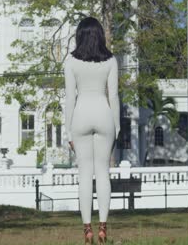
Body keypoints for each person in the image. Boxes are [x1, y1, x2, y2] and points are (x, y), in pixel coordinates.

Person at [64, 16, 120, 245]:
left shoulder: (71, 61)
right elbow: (113, 96)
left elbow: (69, 98)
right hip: (103, 113)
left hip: (81, 115)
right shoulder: (111, 60)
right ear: (100, 35)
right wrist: (116, 128)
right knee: (103, 173)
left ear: (79, 35)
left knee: (85, 174)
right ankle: (103, 227)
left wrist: (68, 132)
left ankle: (87, 229)